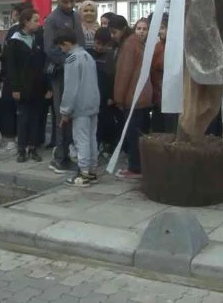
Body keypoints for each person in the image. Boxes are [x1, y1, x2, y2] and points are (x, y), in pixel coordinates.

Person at [43, 0, 85, 174]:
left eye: (72, 1)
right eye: (65, 2)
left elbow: (81, 44)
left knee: (74, 114)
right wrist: (70, 62)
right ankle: (60, 157)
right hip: (61, 74)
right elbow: (50, 50)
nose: (69, 5)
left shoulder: (77, 16)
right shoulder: (52, 20)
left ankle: (69, 153)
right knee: (62, 116)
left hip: (77, 71)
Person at [55, 27, 101, 187]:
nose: (62, 49)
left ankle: (84, 173)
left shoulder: (72, 60)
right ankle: (92, 170)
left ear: (67, 43)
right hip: (93, 103)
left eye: (61, 46)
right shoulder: (88, 56)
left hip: (80, 106)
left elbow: (70, 88)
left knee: (81, 140)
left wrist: (65, 111)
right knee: (91, 139)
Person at [110, 15, 152, 180]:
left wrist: (118, 98)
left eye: (114, 32)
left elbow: (124, 74)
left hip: (132, 97)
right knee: (140, 134)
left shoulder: (128, 46)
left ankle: (135, 168)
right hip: (144, 96)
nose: (113, 36)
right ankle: (140, 166)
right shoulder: (140, 44)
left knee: (133, 135)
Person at [6, 8, 47, 162]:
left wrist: (46, 86)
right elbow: (11, 67)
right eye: (35, 21)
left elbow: (43, 62)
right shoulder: (15, 40)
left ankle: (33, 148)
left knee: (35, 118)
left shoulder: (38, 38)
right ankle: (21, 149)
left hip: (37, 86)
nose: (38, 24)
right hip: (22, 87)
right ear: (25, 22)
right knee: (23, 118)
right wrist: (15, 88)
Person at [93, 27, 119, 157]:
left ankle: (108, 144)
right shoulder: (90, 54)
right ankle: (97, 145)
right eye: (96, 43)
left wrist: (111, 96)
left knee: (106, 121)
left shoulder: (111, 56)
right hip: (94, 94)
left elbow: (113, 78)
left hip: (106, 95)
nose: (98, 47)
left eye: (102, 44)